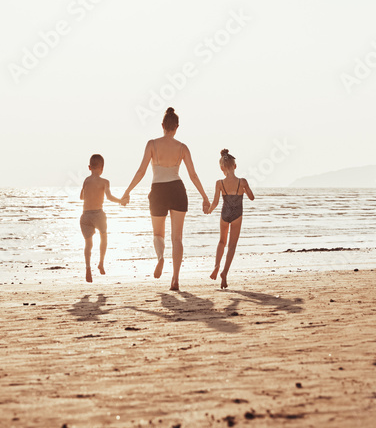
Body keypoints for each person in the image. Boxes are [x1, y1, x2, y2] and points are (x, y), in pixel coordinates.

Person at [121, 107, 209, 291]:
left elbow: (141, 171)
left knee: (158, 234)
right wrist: (204, 197)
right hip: (177, 189)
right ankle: (175, 279)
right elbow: (193, 175)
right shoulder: (182, 147)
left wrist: (127, 191)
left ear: (162, 125)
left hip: (158, 190)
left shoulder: (152, 144)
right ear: (177, 127)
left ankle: (160, 257)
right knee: (177, 238)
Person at [207, 148, 255, 289]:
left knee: (221, 241)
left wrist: (209, 211)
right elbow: (252, 197)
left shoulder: (219, 183)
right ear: (235, 166)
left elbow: (215, 202)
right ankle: (224, 273)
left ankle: (216, 266)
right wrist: (245, 189)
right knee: (232, 246)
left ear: (221, 168)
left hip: (224, 214)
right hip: (237, 215)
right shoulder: (242, 181)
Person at [80, 154, 123, 283]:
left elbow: (81, 197)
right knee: (103, 237)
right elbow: (109, 197)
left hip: (85, 215)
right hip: (98, 214)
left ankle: (88, 267)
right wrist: (120, 201)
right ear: (102, 168)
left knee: (88, 244)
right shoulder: (105, 182)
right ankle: (101, 263)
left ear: (89, 167)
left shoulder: (86, 180)